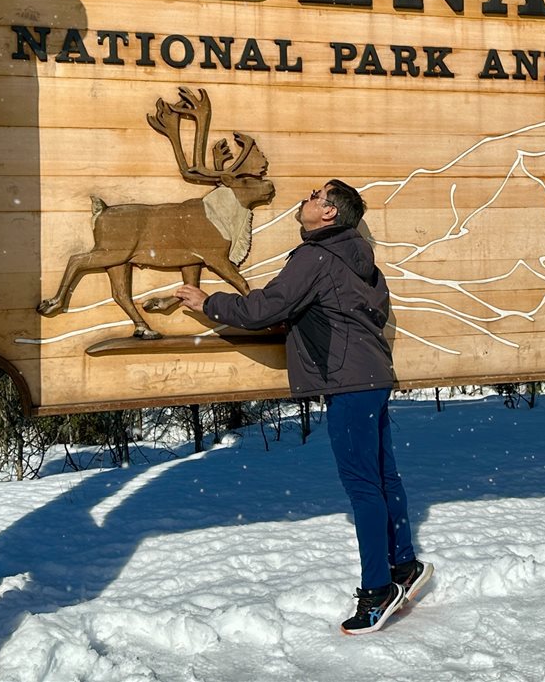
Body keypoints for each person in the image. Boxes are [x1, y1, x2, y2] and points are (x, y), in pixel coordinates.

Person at [174, 179, 432, 635]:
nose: (307, 199)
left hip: (348, 383)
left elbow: (264, 308)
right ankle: (404, 565)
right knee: (382, 475)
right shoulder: (361, 260)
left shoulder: (315, 257)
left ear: (329, 214)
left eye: (316, 196)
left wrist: (208, 301)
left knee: (363, 486)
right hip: (371, 377)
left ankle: (378, 589)